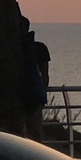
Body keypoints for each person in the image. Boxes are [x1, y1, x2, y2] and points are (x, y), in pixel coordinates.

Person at [19, 13, 50, 141]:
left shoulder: (10, 48)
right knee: (35, 132)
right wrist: (42, 93)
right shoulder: (39, 48)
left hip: (15, 94)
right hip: (34, 96)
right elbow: (45, 74)